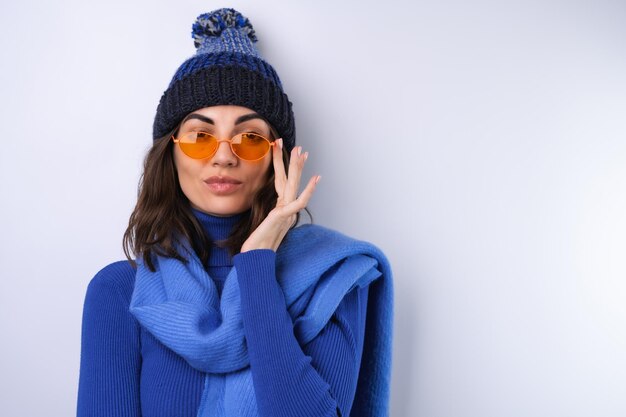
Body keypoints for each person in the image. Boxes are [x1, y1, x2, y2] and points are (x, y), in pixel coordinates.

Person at [76, 8, 393, 417]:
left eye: (249, 137)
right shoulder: (119, 292)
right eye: (200, 136)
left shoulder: (333, 279)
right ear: (169, 154)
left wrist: (257, 264)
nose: (224, 156)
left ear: (276, 157)